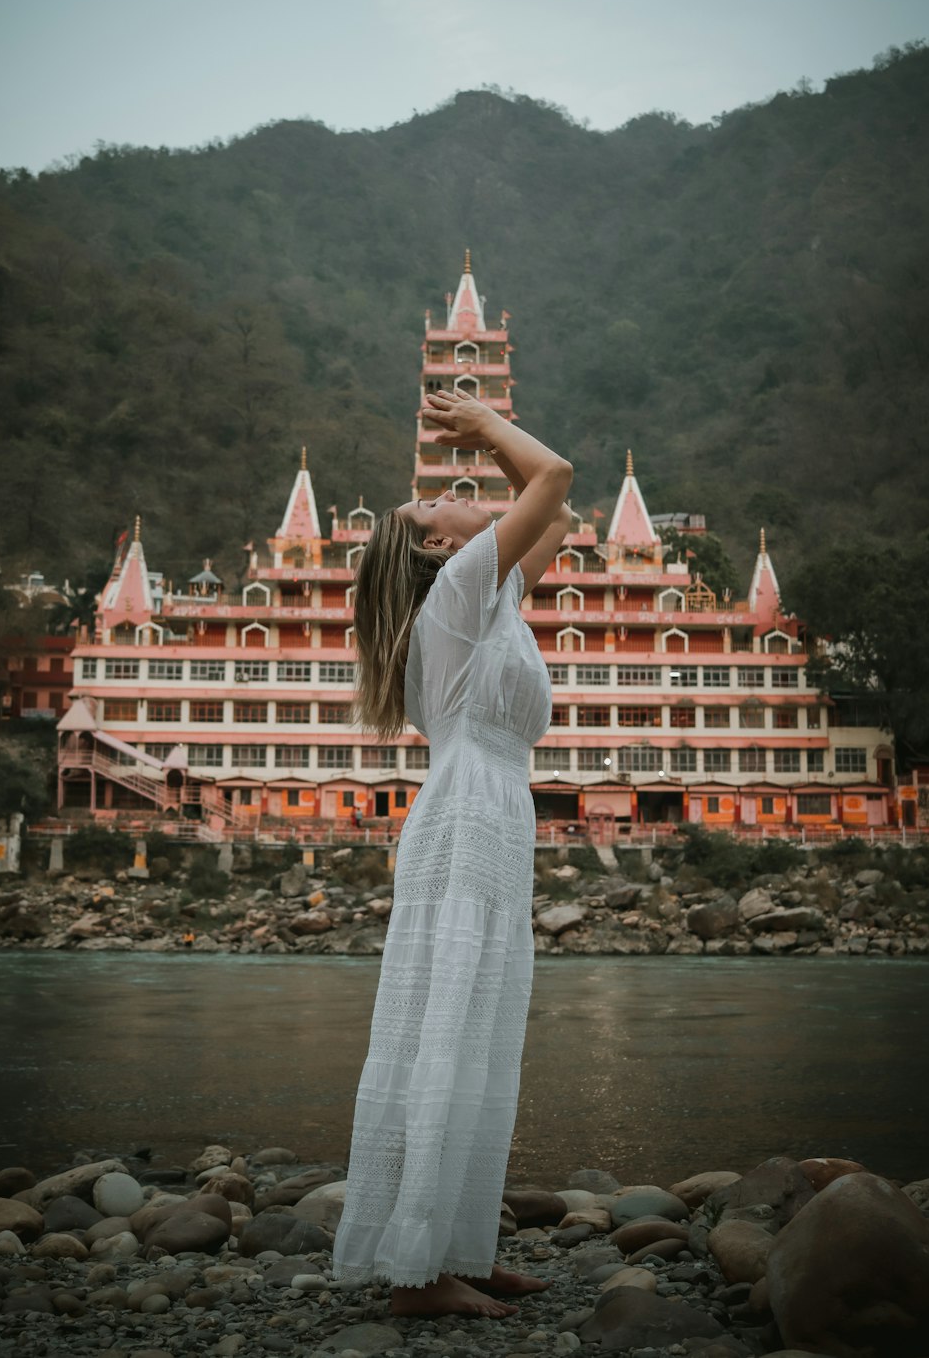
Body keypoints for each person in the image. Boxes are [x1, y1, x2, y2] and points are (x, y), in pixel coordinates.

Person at [332, 387, 573, 1318]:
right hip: (466, 817)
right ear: (438, 548)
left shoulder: (489, 592)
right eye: (431, 505)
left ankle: (456, 1245)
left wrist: (490, 445)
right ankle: (417, 1272)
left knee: (480, 1038)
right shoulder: (464, 588)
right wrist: (482, 427)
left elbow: (561, 508)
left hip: (498, 816)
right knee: (443, 1035)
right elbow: (550, 475)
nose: (451, 493)